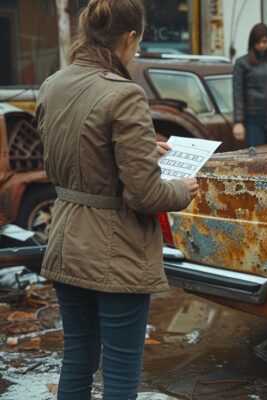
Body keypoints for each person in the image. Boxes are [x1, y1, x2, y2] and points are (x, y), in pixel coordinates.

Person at [35, 0, 198, 398]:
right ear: (128, 38)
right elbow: (145, 194)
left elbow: (71, 155)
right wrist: (183, 190)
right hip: (116, 251)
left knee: (77, 358)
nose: (137, 50)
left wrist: (142, 149)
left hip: (66, 238)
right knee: (121, 373)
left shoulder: (52, 84)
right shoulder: (125, 95)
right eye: (137, 42)